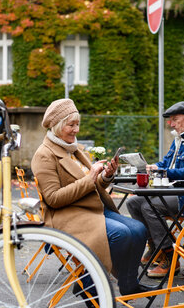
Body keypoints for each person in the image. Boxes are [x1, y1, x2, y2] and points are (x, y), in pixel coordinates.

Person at [31, 98, 153, 299]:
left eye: (77, 124)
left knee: (139, 230)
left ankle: (129, 284)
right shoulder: (44, 155)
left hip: (91, 209)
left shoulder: (74, 149)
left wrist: (105, 176)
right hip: (67, 215)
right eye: (71, 125)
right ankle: (88, 280)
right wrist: (90, 178)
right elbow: (53, 199)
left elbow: (93, 186)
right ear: (57, 125)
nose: (76, 129)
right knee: (121, 234)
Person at [126, 101, 184, 278]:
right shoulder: (181, 137)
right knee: (133, 202)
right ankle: (154, 248)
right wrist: (154, 166)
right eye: (170, 121)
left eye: (175, 120)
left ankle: (169, 255)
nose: (172, 124)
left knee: (149, 206)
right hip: (175, 193)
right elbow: (167, 163)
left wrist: (163, 171)